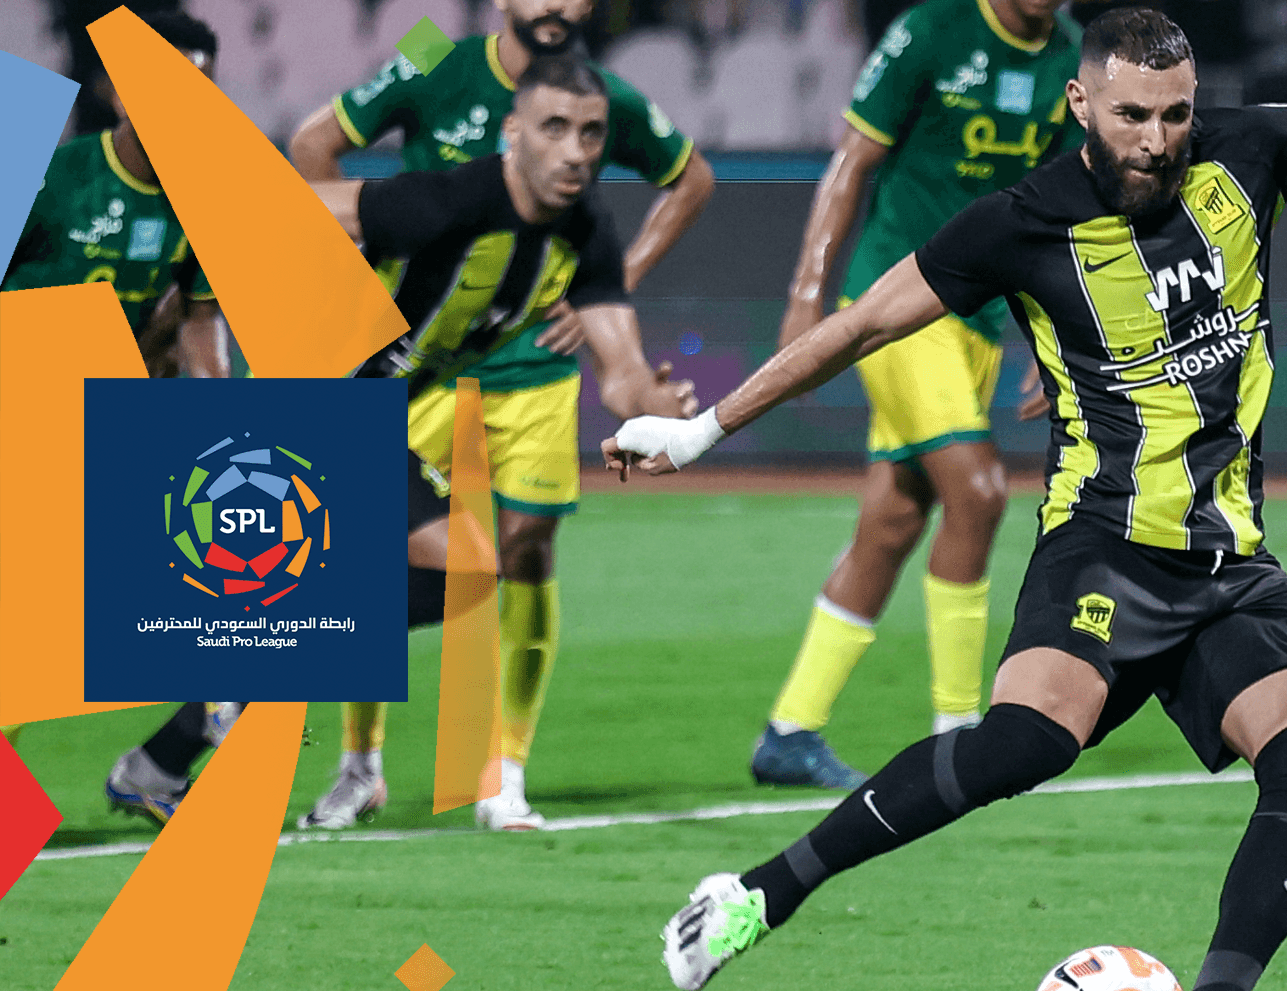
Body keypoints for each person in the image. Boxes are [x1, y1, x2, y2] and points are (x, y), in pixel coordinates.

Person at [611, 4, 1287, 991]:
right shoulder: (1020, 223)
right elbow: (865, 322)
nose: (1156, 140)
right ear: (1080, 103)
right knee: (1022, 745)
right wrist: (701, 430)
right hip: (1102, 546)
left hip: (1228, 561)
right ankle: (753, 896)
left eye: (1174, 114)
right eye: (1130, 116)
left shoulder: (1253, 148)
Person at [280, 0, 715, 830]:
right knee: (421, 561)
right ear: (513, 131)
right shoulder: (436, 133)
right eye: (556, 130)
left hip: (455, 386)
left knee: (494, 562)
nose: (577, 150)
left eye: (590, 136)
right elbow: (303, 180)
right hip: (348, 395)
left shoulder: (589, 198)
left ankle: (491, 769)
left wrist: (655, 407)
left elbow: (624, 362)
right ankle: (318, 717)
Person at [755, 0, 1080, 789]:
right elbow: (852, 159)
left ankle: (790, 731)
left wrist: (1059, 331)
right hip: (893, 303)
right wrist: (806, 294)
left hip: (975, 322)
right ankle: (959, 734)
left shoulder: (1071, 55)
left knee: (893, 521)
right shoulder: (932, 30)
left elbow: (1060, 210)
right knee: (978, 492)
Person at [0, 10, 240, 825]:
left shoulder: (203, 198)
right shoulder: (54, 176)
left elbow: (200, 318)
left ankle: (165, 759)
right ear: (116, 90)